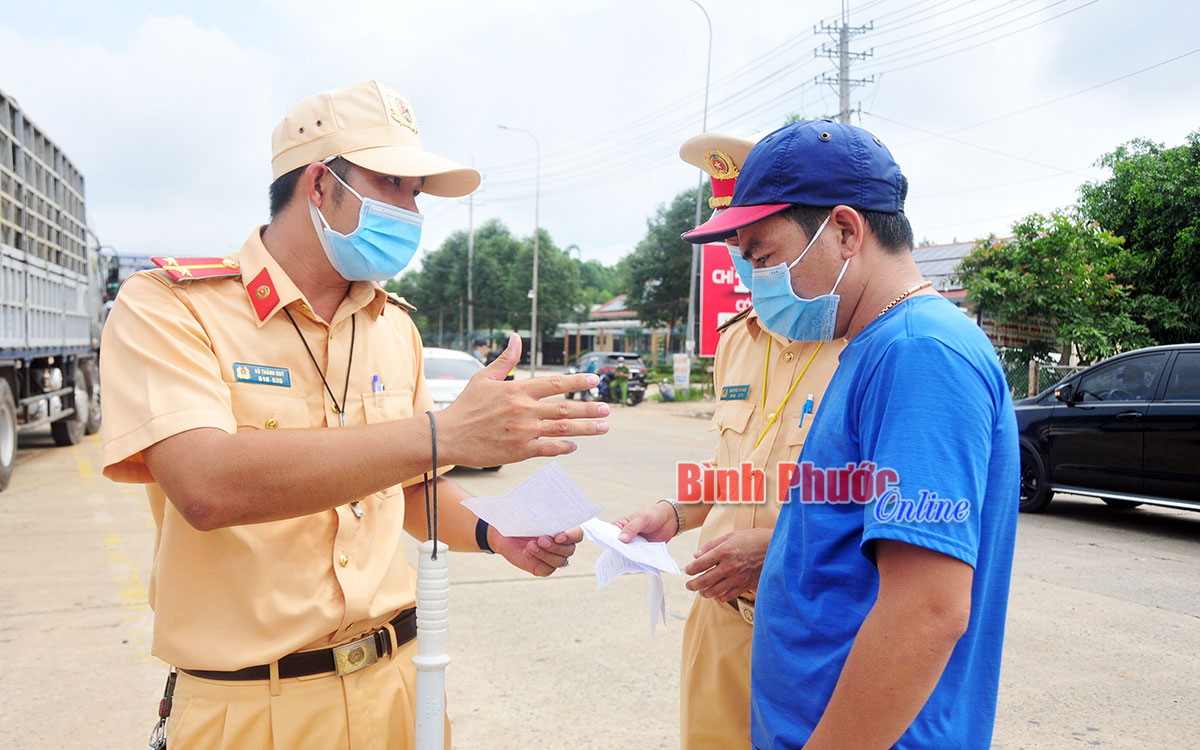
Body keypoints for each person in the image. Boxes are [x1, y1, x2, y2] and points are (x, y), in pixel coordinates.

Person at [99, 80, 608, 750]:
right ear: (317, 186)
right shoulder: (172, 306)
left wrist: (498, 533)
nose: (410, 208)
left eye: (417, 193)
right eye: (391, 182)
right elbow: (204, 485)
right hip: (252, 710)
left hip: (398, 686)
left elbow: (411, 489)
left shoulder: (394, 326)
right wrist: (443, 433)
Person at [681, 120, 1018, 750]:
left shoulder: (920, 354)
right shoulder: (873, 346)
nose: (757, 281)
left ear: (843, 230)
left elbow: (926, 610)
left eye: (763, 256)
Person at [614, 132, 845, 749]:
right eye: (731, 245)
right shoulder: (739, 340)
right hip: (719, 625)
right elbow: (733, 469)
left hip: (809, 630)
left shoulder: (864, 344)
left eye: (756, 244)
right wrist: (673, 512)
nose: (741, 260)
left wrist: (774, 548)